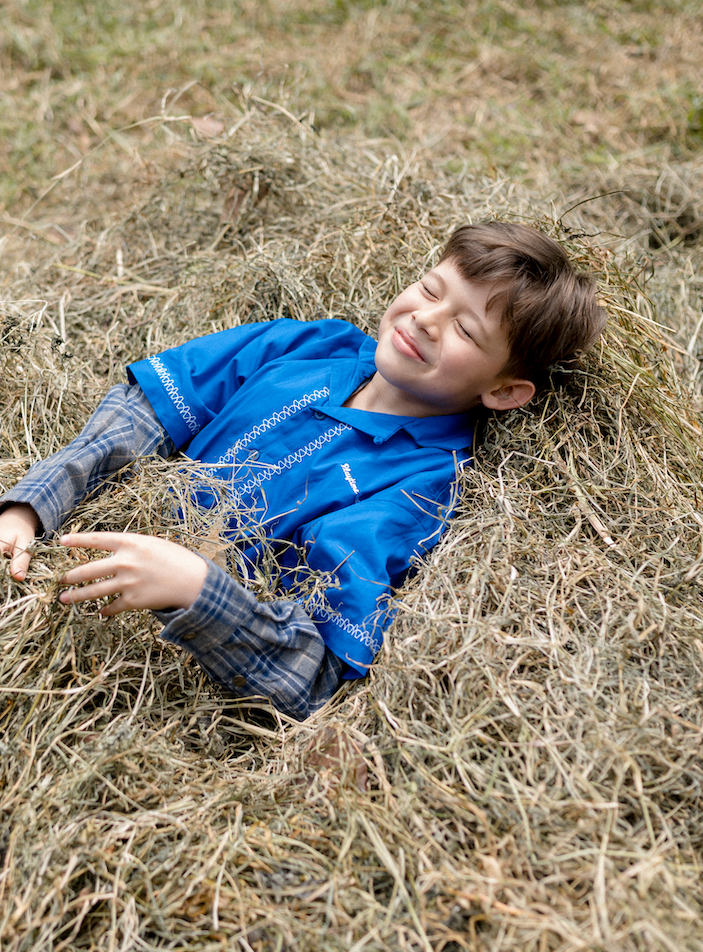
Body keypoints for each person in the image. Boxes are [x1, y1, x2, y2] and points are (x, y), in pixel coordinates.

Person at [0, 222, 606, 720]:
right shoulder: (307, 347)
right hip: (65, 567)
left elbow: (315, 676)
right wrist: (32, 506)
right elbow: (139, 418)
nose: (426, 319)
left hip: (150, 683)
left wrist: (198, 592)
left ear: (503, 391)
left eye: (466, 329)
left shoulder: (421, 486)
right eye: (429, 288)